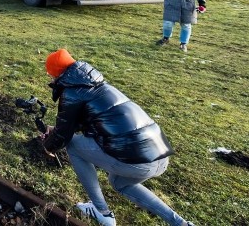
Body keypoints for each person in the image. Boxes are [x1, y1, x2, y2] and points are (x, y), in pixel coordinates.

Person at [41, 49, 194, 226]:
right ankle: (181, 223)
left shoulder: (72, 93)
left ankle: (101, 212)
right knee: (119, 183)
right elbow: (92, 121)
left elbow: (62, 137)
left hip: (137, 162)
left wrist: (47, 145)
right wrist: (58, 130)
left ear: (56, 74)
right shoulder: (99, 85)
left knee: (73, 146)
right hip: (159, 155)